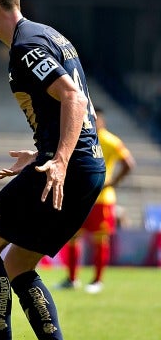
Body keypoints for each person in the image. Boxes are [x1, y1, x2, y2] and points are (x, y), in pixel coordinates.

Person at [0, 0, 105, 340]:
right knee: (17, 265)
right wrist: (42, 151)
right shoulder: (49, 35)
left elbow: (72, 98)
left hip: (68, 167)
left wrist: (58, 159)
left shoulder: (26, 46)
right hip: (87, 165)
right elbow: (78, 103)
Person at [59, 107, 135, 293]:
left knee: (100, 241)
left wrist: (112, 183)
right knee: (72, 238)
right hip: (79, 197)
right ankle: (72, 279)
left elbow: (128, 163)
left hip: (102, 200)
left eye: (96, 118)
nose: (93, 120)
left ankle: (97, 281)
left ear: (101, 120)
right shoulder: (78, 136)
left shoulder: (111, 141)